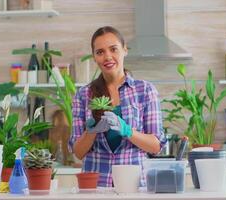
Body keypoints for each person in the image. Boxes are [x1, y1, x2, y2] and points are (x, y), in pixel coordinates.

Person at [68, 26, 166, 187]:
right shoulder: (84, 95)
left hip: (134, 185)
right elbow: (78, 152)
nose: (107, 56)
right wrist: (90, 132)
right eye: (100, 52)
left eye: (113, 49)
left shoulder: (145, 91)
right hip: (95, 186)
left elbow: (155, 146)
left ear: (125, 50)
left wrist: (127, 131)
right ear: (94, 57)